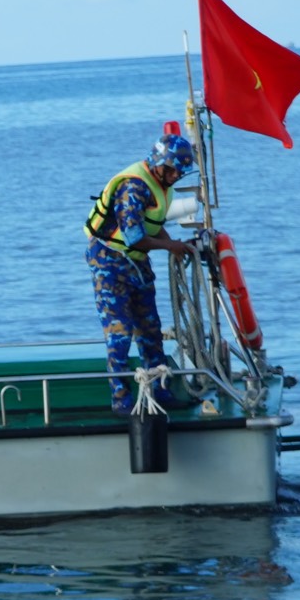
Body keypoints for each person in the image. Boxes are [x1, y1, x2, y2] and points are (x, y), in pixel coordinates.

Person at [85, 130, 200, 413]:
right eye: (173, 171)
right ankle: (121, 396)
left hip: (137, 263)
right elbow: (134, 236)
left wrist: (172, 242)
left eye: (180, 173)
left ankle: (160, 389)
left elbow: (151, 223)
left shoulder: (161, 184)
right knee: (120, 331)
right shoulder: (133, 189)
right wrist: (171, 246)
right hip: (110, 262)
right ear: (160, 163)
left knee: (150, 329)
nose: (176, 177)